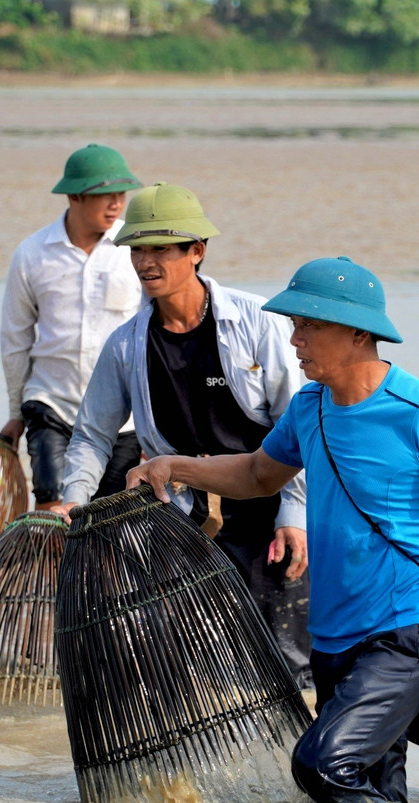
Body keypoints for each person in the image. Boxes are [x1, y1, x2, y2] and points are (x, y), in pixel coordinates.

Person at [126, 257, 419, 803]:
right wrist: (174, 465)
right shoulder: (310, 407)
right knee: (369, 782)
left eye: (310, 326)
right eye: (294, 324)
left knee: (320, 766)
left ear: (358, 334)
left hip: (408, 629)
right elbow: (258, 475)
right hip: (330, 638)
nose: (295, 338)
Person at [58, 183, 313, 687]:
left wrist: (296, 514)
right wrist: (72, 501)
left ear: (196, 251)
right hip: (183, 519)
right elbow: (91, 435)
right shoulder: (127, 345)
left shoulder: (256, 322)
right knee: (189, 660)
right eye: (137, 249)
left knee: (288, 664)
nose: (145, 262)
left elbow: (298, 425)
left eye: (161, 249)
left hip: (267, 511)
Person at [0, 144, 144, 509]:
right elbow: (15, 340)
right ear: (75, 196)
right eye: (105, 195)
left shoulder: (137, 250)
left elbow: (156, 335)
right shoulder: (32, 254)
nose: (116, 204)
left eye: (121, 194)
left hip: (122, 418)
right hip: (51, 405)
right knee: (53, 513)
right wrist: (16, 413)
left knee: (109, 524)